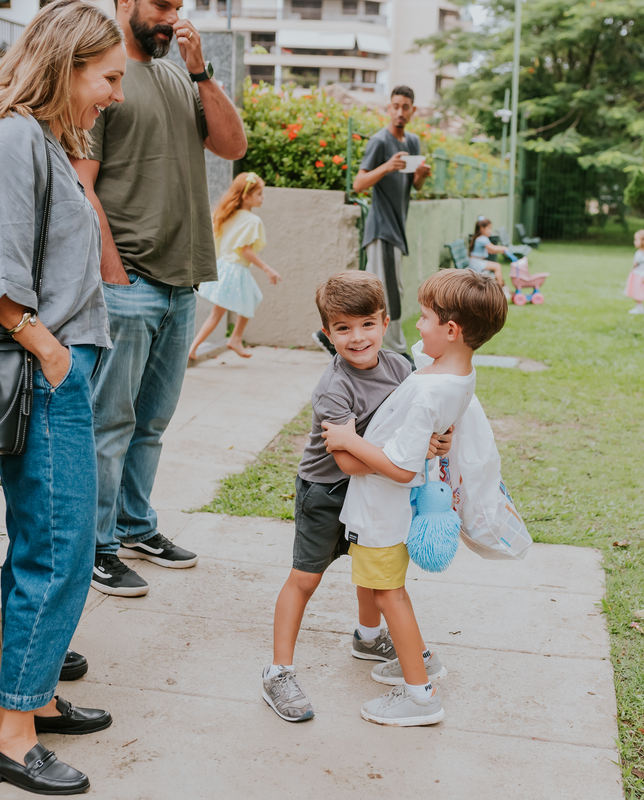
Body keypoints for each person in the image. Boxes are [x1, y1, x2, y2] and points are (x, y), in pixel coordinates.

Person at [0, 1, 125, 793]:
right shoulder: (11, 137)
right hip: (45, 374)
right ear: (66, 63)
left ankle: (41, 693)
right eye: (108, 76)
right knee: (56, 551)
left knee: (54, 541)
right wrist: (50, 348)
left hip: (63, 371)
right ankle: (10, 735)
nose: (116, 93)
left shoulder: (47, 142)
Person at [72, 0, 247, 598]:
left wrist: (202, 71)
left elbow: (232, 145)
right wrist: (113, 273)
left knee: (151, 422)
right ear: (125, 4)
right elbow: (82, 185)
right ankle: (95, 547)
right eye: (161, 4)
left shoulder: (178, 74)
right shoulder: (103, 78)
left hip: (182, 279)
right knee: (110, 423)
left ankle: (135, 526)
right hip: (131, 280)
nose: (172, 16)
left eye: (178, 5)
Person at [262, 270, 451, 724]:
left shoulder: (402, 367)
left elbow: (419, 424)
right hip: (328, 490)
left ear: (385, 322)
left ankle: (368, 638)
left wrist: (437, 441)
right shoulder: (334, 387)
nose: (357, 337)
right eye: (343, 328)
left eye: (366, 323)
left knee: (371, 572)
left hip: (378, 490)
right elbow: (347, 463)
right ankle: (278, 671)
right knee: (305, 580)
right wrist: (406, 462)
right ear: (328, 333)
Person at [321, 269, 508, 727]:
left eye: (425, 318)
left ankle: (420, 693)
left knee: (389, 593)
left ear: (451, 330)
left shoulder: (429, 390)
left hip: (383, 507)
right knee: (380, 583)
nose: (417, 328)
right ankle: (404, 655)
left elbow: (402, 467)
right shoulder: (455, 373)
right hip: (394, 510)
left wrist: (348, 438)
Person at [340, 85, 432, 358]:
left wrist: (423, 174)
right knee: (390, 294)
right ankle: (399, 354)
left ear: (413, 110)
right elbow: (358, 184)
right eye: (395, 106)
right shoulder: (380, 142)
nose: (399, 112)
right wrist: (387, 166)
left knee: (376, 294)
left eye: (405, 107)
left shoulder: (412, 142)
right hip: (382, 230)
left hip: (396, 229)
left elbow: (414, 187)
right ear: (388, 108)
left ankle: (366, 347)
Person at [188, 171, 281, 361]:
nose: (263, 198)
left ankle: (210, 343)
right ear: (246, 196)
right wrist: (267, 268)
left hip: (223, 267)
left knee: (232, 306)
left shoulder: (227, 214)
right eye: (259, 194)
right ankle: (232, 339)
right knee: (240, 304)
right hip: (235, 270)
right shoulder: (252, 220)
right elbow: (245, 250)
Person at [467, 216, 505, 286]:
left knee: (496, 266)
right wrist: (504, 248)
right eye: (489, 228)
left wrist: (500, 251)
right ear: (482, 228)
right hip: (477, 263)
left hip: (476, 261)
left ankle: (500, 286)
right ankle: (501, 288)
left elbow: (490, 251)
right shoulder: (482, 238)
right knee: (497, 266)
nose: (490, 231)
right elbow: (493, 248)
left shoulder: (480, 238)